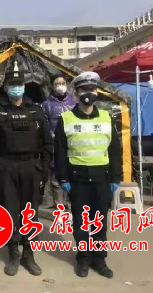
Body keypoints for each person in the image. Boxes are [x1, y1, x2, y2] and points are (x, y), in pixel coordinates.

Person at [0, 62, 53, 277]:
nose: (16, 88)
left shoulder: (36, 110)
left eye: (19, 84)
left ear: (24, 86)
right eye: (12, 85)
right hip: (6, 166)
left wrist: (43, 171)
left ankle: (28, 254)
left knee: (30, 212)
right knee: (10, 211)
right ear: (6, 88)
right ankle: (13, 252)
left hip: (31, 166)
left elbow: (47, 144)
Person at [53, 71, 122, 279]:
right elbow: (60, 151)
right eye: (83, 90)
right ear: (76, 93)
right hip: (78, 177)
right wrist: (63, 178)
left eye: (91, 89)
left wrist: (116, 177)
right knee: (81, 221)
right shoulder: (66, 118)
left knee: (99, 220)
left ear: (97, 92)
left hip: (102, 177)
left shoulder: (106, 117)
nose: (88, 93)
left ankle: (99, 259)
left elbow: (114, 150)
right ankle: (83, 257)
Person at [41, 75, 77, 209]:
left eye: (62, 83)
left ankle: (71, 204)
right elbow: (43, 124)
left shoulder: (74, 104)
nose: (60, 85)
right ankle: (59, 205)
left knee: (72, 173)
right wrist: (50, 134)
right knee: (56, 175)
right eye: (57, 83)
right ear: (52, 86)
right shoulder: (46, 105)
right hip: (55, 144)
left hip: (72, 144)